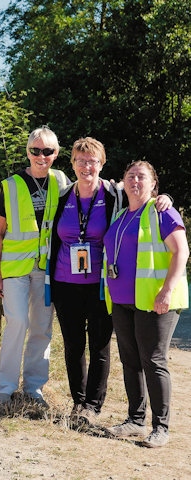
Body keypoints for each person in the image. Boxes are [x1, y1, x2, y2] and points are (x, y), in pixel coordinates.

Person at [47, 138, 172, 425]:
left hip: (102, 284)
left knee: (100, 346)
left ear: (101, 164)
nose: (86, 166)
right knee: (73, 346)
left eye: (92, 161)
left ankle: (93, 406)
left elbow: (143, 199)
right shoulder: (64, 195)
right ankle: (78, 403)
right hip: (65, 282)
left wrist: (167, 199)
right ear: (73, 164)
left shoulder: (113, 193)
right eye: (80, 160)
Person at [103, 161, 188, 448]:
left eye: (142, 177)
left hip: (155, 301)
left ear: (154, 184)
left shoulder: (162, 211)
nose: (135, 181)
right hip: (124, 301)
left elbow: (182, 251)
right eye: (130, 176)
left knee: (153, 361)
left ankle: (160, 427)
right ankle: (135, 421)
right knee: (130, 361)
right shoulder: (120, 214)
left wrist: (166, 291)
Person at [0, 126, 70, 406]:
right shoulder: (10, 185)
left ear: (56, 154)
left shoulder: (61, 182)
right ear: (28, 152)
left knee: (41, 327)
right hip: (14, 269)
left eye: (47, 151)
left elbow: (93, 190)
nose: (41, 156)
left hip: (46, 269)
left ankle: (33, 388)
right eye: (35, 150)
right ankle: (5, 387)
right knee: (18, 322)